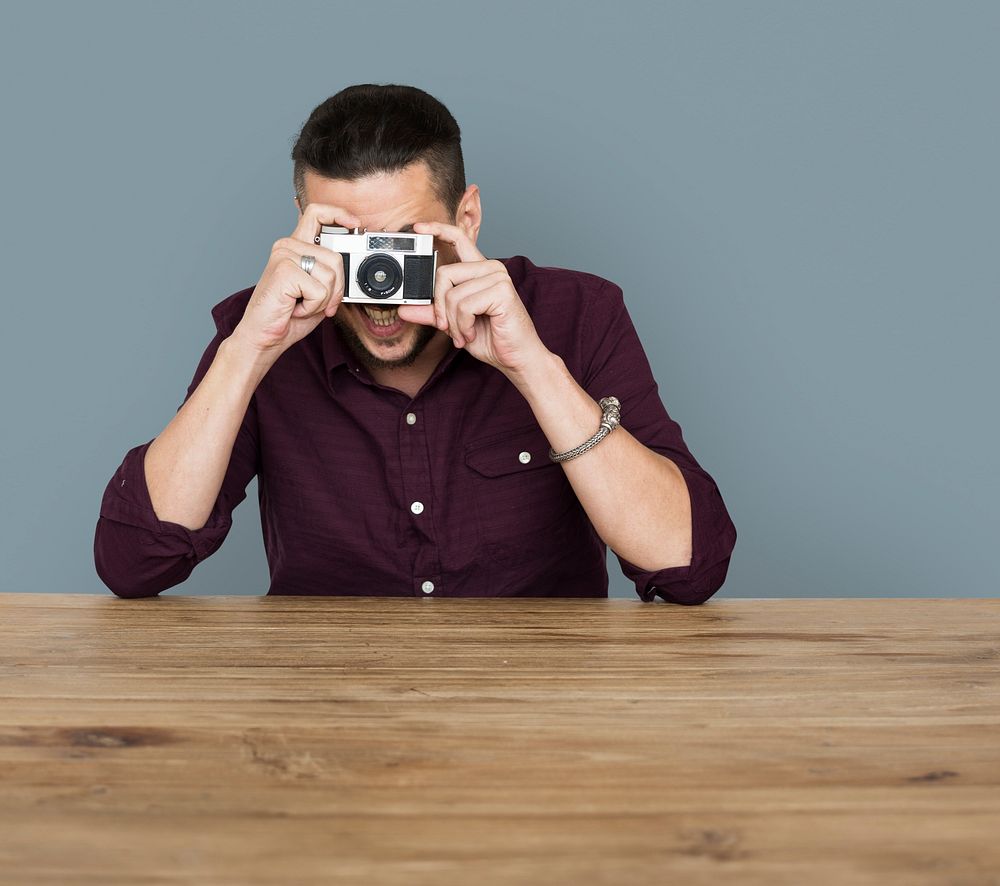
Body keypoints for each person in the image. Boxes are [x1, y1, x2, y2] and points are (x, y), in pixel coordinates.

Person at [94, 83, 737, 604]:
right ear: (303, 227)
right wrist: (247, 354)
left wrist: (533, 368)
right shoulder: (264, 328)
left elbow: (687, 565)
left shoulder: (577, 313)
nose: (378, 285)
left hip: (542, 714)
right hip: (329, 715)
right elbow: (135, 563)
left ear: (467, 218)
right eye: (352, 247)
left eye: (405, 244)